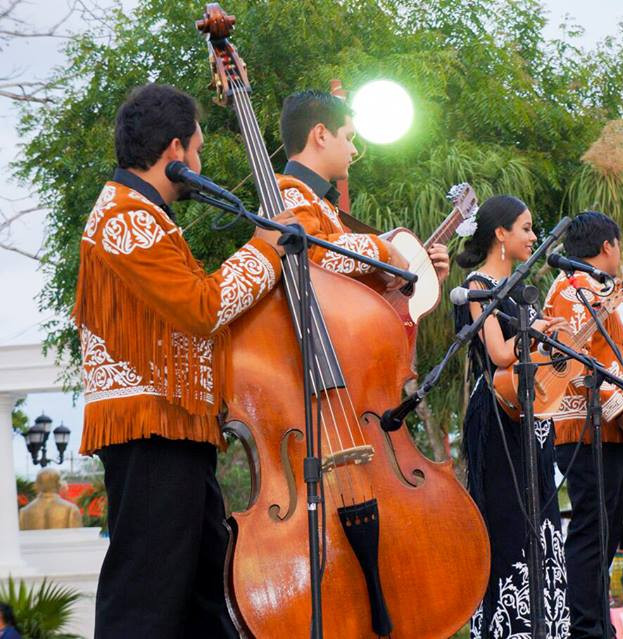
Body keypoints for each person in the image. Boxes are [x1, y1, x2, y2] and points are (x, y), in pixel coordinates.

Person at [75, 83, 300, 638]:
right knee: (146, 595)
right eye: (197, 150)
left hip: (172, 425)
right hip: (150, 428)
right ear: (176, 151)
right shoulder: (126, 217)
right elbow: (203, 307)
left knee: (206, 593)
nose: (198, 161)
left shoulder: (140, 215)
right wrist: (264, 250)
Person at [453, 195, 570, 639]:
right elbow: (500, 354)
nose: (533, 236)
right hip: (499, 417)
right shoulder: (477, 286)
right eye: (525, 227)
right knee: (508, 519)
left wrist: (556, 339)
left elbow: (536, 357)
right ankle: (507, 626)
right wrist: (537, 332)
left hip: (533, 412)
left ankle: (546, 624)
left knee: (541, 516)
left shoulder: (523, 292)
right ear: (500, 233)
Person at [543, 211, 623, 638]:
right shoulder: (575, 288)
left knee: (604, 530)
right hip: (587, 428)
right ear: (608, 245)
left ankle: (594, 623)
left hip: (606, 427)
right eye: (619, 246)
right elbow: (578, 364)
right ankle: (586, 628)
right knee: (593, 529)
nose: (619, 255)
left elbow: (606, 362)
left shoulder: (597, 289)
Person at [276, 89, 449, 284]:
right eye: (349, 138)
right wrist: (384, 250)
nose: (354, 150)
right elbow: (306, 252)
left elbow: (349, 289)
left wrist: (425, 281)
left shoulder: (317, 200)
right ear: (321, 135)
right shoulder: (288, 190)